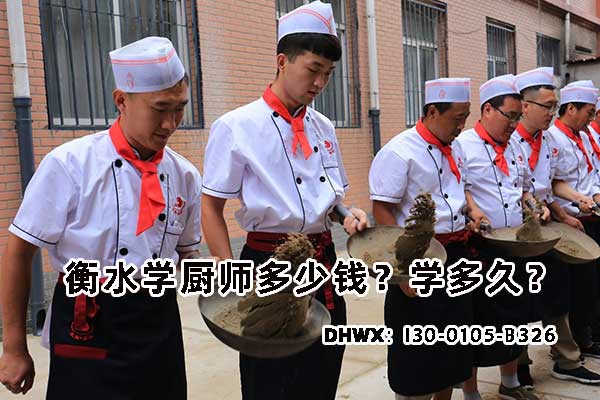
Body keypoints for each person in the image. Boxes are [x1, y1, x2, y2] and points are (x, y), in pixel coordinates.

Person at [0, 36, 201, 399]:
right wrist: (14, 348)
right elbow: (19, 250)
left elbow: (187, 255)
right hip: (87, 318)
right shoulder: (70, 165)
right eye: (160, 108)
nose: (171, 123)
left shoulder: (184, 175)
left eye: (180, 108)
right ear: (121, 101)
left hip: (158, 320)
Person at [201, 2, 368, 400]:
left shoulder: (323, 127)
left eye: (328, 73)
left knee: (321, 372)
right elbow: (210, 206)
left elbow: (330, 200)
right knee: (270, 381)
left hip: (323, 264)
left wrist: (347, 214)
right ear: (282, 61)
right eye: (313, 69)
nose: (320, 82)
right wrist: (226, 268)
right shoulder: (237, 126)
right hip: (269, 265)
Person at [369, 77, 474, 400]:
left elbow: (458, 195)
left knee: (451, 350)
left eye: (465, 117)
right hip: (418, 258)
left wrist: (472, 214)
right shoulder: (399, 152)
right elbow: (382, 211)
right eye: (457, 118)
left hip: (456, 256)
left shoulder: (455, 147)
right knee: (417, 353)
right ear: (432, 112)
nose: (462, 126)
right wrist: (403, 272)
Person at [457, 74, 549, 400]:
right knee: (475, 325)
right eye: (509, 116)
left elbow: (524, 189)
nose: (514, 124)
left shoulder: (516, 148)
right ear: (487, 110)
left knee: (513, 320)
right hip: (478, 249)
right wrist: (472, 211)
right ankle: (471, 393)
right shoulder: (463, 145)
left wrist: (535, 207)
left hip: (515, 247)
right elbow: (458, 190)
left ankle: (510, 383)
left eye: (517, 117)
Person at [511, 68, 600, 387]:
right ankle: (518, 363)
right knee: (520, 297)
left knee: (558, 291)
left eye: (554, 106)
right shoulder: (510, 142)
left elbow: (551, 185)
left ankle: (567, 358)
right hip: (518, 232)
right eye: (548, 106)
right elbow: (514, 190)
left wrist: (565, 210)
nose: (552, 112)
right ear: (525, 106)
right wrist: (539, 208)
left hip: (548, 225)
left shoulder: (547, 140)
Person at [548, 80, 600, 363]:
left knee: (588, 285)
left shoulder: (583, 136)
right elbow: (551, 184)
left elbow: (590, 177)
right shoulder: (553, 139)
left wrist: (594, 197)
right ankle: (569, 346)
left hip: (588, 217)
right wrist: (570, 208)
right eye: (589, 113)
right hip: (567, 223)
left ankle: (586, 337)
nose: (592, 119)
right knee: (569, 289)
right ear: (571, 109)